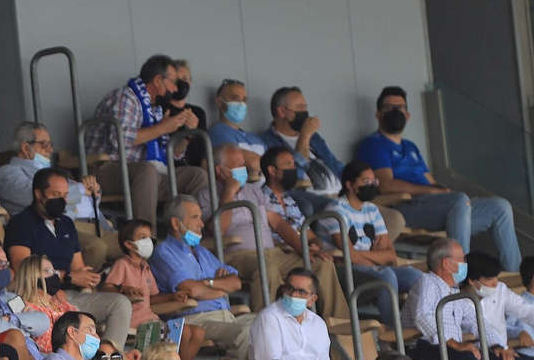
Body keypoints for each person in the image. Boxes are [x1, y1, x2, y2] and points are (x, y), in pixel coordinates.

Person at [360, 85, 521, 269]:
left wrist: (448, 193)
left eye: (400, 108)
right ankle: (460, 272)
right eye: (389, 108)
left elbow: (431, 181)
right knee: (457, 201)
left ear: (408, 115)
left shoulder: (410, 147)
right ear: (378, 114)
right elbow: (386, 185)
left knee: (499, 207)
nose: (395, 112)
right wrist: (434, 192)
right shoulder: (374, 144)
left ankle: (514, 272)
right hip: (404, 207)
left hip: (436, 208)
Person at [5, 167, 132, 351]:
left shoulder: (66, 224)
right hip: (38, 298)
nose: (61, 200)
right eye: (55, 194)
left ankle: (107, 358)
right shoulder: (21, 223)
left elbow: (78, 267)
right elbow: (23, 268)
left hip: (68, 297)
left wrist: (88, 278)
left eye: (65, 195)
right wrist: (68, 277)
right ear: (38, 194)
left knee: (120, 304)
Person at [221, 146, 348, 319]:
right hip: (239, 256)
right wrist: (229, 191)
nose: (244, 169)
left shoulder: (254, 191)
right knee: (267, 269)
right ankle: (266, 329)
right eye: (237, 165)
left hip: (273, 253)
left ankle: (341, 326)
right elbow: (218, 229)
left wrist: (302, 248)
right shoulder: (208, 194)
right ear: (220, 169)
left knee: (321, 263)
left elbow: (278, 222)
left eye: (244, 164)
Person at [85, 54, 210, 225]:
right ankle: (146, 239)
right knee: (147, 170)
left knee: (197, 175)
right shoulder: (125, 98)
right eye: (173, 83)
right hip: (107, 170)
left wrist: (188, 135)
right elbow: (119, 139)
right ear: (158, 80)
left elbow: (170, 155)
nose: (175, 89)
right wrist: (164, 128)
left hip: (147, 175)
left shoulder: (155, 109)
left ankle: (191, 235)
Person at [0, 123, 117, 270]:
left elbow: (83, 196)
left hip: (98, 224)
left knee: (136, 246)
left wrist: (94, 190)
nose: (50, 149)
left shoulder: (53, 171)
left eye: (50, 144)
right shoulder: (8, 171)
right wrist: (79, 188)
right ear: (25, 147)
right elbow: (31, 195)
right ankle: (82, 285)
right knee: (97, 247)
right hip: (66, 225)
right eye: (44, 144)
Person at [150, 196, 255, 360]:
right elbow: (192, 290)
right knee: (245, 333)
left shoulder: (202, 251)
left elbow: (236, 283)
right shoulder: (164, 253)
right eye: (195, 217)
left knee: (267, 323)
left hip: (227, 317)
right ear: (176, 223)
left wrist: (208, 283)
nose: (202, 223)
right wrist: (219, 287)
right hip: (195, 320)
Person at [318, 161, 421, 325]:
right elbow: (348, 255)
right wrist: (375, 259)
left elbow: (390, 255)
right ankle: (394, 330)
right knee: (386, 275)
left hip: (359, 263)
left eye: (374, 181)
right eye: (366, 181)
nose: (371, 185)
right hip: (340, 268)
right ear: (350, 185)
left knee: (416, 277)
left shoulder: (372, 209)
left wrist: (362, 256)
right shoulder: (336, 210)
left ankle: (415, 326)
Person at [406, 238, 496, 360]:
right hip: (426, 346)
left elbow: (477, 322)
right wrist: (454, 343)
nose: (465, 264)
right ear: (446, 264)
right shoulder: (427, 282)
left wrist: (498, 347)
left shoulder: (454, 292)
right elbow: (422, 316)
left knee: (496, 359)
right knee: (468, 358)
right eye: (462, 259)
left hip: (449, 348)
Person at [106, 220, 204, 360]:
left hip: (152, 320)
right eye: (142, 237)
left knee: (198, 332)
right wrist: (123, 288)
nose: (148, 241)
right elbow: (106, 289)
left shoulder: (146, 267)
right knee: (185, 333)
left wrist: (172, 296)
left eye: (149, 237)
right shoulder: (122, 264)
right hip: (135, 324)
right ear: (128, 244)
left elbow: (152, 298)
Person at [247, 269, 337, 360]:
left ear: (312, 299)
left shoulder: (318, 323)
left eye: (301, 292)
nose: (294, 295)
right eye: (290, 289)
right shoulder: (269, 318)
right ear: (283, 289)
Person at [259, 86, 346, 213]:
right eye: (299, 107)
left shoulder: (314, 137)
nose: (305, 112)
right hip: (313, 200)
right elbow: (292, 176)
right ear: (282, 111)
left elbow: (333, 163)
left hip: (341, 197)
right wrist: (305, 136)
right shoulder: (267, 142)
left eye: (305, 107)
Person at [467, 250, 534, 360]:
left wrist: (503, 348)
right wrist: (501, 348)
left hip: (503, 351)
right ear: (472, 280)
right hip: (478, 353)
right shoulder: (458, 298)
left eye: (496, 277)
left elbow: (526, 310)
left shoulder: (500, 290)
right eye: (490, 278)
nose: (495, 282)